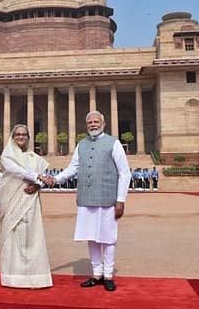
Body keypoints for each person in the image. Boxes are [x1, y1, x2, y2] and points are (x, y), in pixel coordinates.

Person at [41, 111, 131, 292]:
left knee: (108, 239)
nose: (93, 124)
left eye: (96, 122)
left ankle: (108, 275)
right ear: (86, 125)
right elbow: (72, 169)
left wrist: (120, 200)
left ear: (103, 124)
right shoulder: (81, 144)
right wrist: (55, 180)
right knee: (92, 237)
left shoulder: (114, 143)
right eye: (90, 122)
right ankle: (96, 274)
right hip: (87, 198)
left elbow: (125, 172)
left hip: (107, 198)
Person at [0, 124, 52, 288]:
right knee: (14, 238)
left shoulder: (34, 158)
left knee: (32, 237)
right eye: (17, 134)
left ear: (28, 137)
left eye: (24, 134)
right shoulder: (7, 156)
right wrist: (38, 177)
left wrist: (38, 185)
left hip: (31, 201)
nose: (21, 137)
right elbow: (17, 171)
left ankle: (35, 277)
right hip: (12, 202)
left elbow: (37, 179)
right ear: (12, 138)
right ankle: (13, 277)